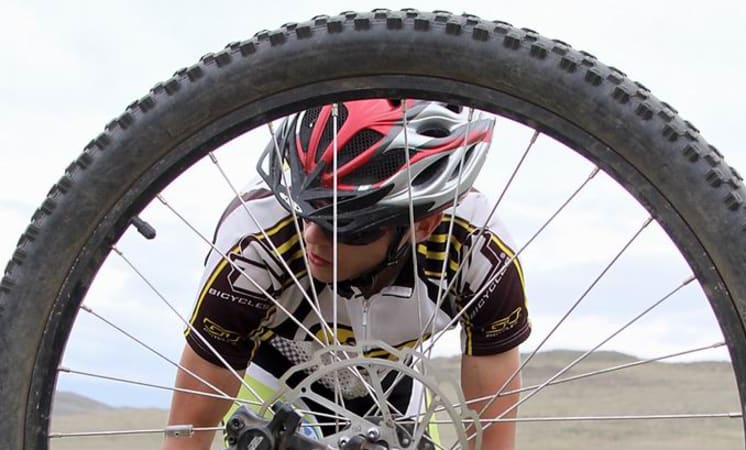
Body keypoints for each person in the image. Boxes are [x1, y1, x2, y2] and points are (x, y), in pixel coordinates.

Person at [163, 99, 531, 450]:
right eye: (306, 208)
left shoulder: (474, 249)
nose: (312, 236)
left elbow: (493, 435)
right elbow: (188, 430)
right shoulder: (256, 242)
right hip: (276, 371)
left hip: (392, 385)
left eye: (344, 225)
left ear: (423, 225)